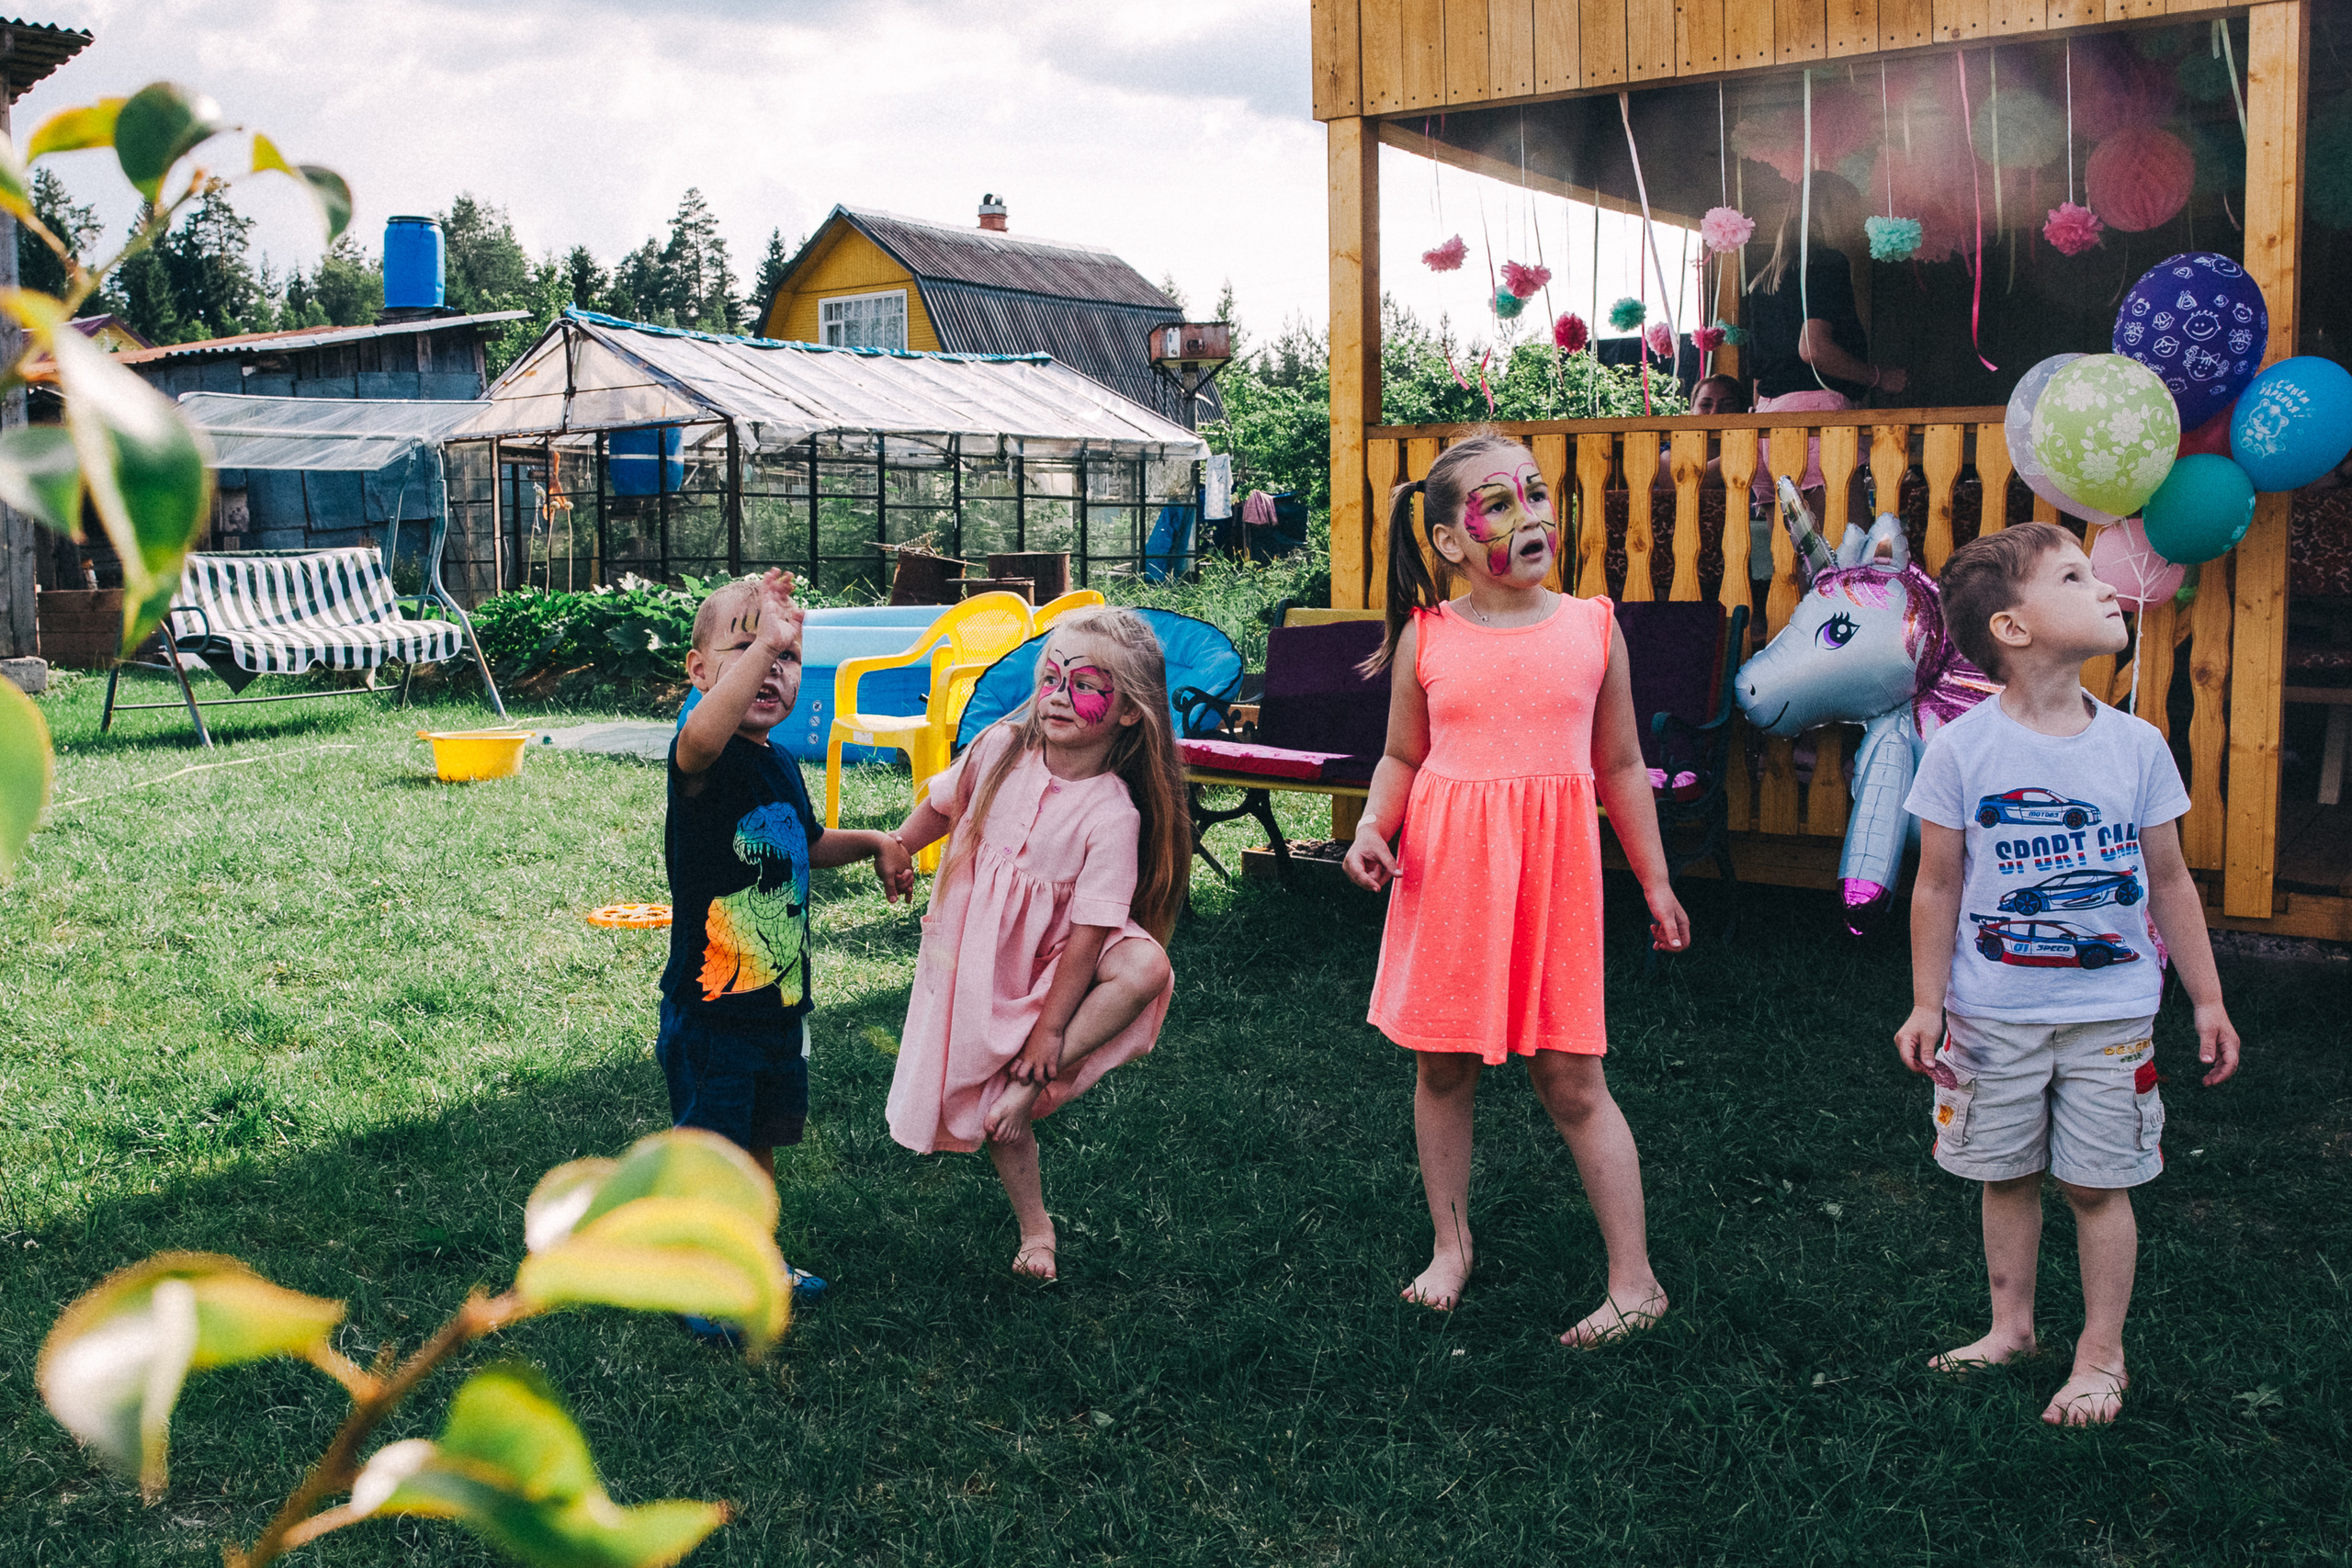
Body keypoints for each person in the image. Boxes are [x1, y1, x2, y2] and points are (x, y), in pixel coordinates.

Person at [1342, 433, 1692, 1346]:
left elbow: (1619, 764)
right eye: (1497, 503)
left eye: (1535, 493)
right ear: (1451, 541)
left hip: (1552, 882)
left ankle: (1635, 1282)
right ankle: (1450, 1246)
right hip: (1449, 876)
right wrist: (1374, 827)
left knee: (1572, 1077)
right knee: (1441, 1064)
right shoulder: (1429, 636)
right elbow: (1401, 755)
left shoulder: (1591, 627)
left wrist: (1654, 881)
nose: (1530, 513)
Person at [1894, 523, 2241, 1427]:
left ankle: (2099, 1356)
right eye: (2074, 576)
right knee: (2002, 1171)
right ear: (2011, 629)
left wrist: (2206, 996)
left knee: (2095, 1183)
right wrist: (1927, 1001)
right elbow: (1935, 885)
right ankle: (2011, 1328)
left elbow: (2167, 881)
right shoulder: (1960, 752)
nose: (2103, 587)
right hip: (1988, 1014)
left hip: (2111, 1013)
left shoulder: (2136, 747)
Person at [884, 606, 1189, 1282]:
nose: (1057, 694)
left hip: (1055, 959)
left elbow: (1088, 936)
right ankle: (1036, 1221)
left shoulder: (1113, 813)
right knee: (995, 1108)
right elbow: (944, 800)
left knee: (1146, 966)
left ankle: (1031, 1088)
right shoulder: (998, 749)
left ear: (1130, 711)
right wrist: (902, 846)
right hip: (985, 955)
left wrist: (1050, 1033)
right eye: (1050, 676)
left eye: (1084, 683)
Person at [662, 570, 915, 1333]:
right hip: (712, 1007)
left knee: (761, 1139)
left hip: (774, 1004)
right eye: (747, 650)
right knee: (714, 1151)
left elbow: (806, 842)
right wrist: (768, 633)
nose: (771, 669)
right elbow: (702, 735)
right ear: (701, 672)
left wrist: (876, 838)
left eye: (787, 656)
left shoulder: (776, 760)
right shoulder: (703, 753)